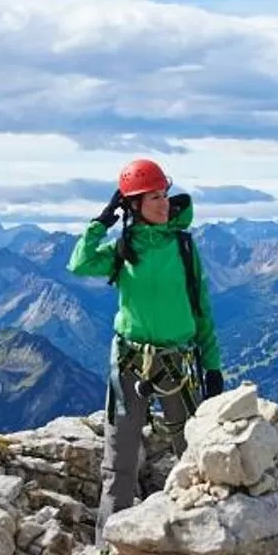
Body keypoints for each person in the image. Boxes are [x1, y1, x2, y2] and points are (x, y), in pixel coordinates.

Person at [68, 158, 225, 529]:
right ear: (134, 205)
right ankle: (109, 547)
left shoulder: (183, 247)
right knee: (119, 462)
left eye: (164, 195)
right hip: (130, 362)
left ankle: (197, 535)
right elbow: (79, 264)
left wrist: (212, 364)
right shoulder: (123, 249)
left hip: (177, 361)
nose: (163, 203)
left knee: (191, 454)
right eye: (153, 197)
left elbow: (201, 307)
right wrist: (101, 222)